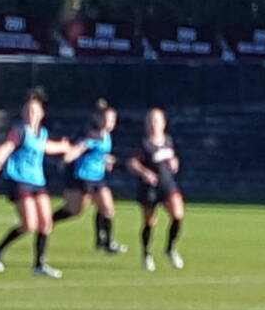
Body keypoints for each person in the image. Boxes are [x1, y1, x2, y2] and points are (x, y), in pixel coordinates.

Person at [0, 92, 77, 277]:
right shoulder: (19, 131)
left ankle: (39, 265)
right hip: (19, 180)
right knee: (29, 224)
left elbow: (45, 147)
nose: (31, 114)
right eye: (28, 111)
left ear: (42, 113)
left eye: (35, 111)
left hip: (37, 181)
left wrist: (63, 147)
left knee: (46, 223)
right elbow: (8, 146)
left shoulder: (41, 133)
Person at [126, 106, 188, 272]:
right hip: (149, 188)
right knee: (150, 222)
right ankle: (146, 254)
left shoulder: (168, 140)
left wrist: (174, 162)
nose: (154, 124)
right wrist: (145, 173)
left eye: (157, 121)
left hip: (167, 185)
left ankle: (170, 249)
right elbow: (132, 162)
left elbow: (172, 158)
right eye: (151, 121)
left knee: (178, 214)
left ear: (164, 123)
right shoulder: (144, 143)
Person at [57, 101, 123, 255]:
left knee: (107, 208)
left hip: (98, 178)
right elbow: (80, 148)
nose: (110, 123)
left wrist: (107, 161)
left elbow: (99, 154)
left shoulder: (107, 136)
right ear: (99, 119)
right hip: (84, 177)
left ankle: (107, 242)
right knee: (75, 210)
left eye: (113, 120)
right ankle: (48, 221)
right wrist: (68, 157)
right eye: (107, 119)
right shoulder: (92, 134)